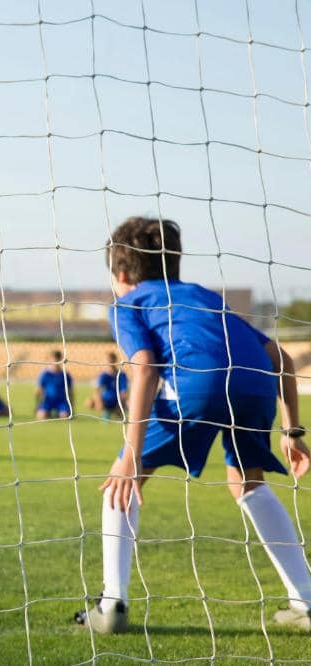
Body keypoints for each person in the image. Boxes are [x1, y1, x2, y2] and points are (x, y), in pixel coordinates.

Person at [75, 216, 311, 634]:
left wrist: (130, 454)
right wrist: (292, 432)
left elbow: (145, 366)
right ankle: (306, 601)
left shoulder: (128, 304)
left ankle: (112, 604)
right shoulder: (203, 297)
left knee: (125, 479)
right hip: (254, 384)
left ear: (121, 274)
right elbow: (283, 359)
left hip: (198, 384)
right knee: (248, 482)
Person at [86, 352, 128, 420]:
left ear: (115, 360)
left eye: (111, 360)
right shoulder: (103, 375)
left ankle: (120, 412)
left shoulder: (121, 375)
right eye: (108, 360)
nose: (110, 363)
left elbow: (124, 393)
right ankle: (105, 412)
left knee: (130, 403)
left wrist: (119, 404)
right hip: (106, 401)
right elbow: (97, 391)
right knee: (89, 402)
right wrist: (99, 401)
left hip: (118, 401)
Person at [35, 350, 74, 419]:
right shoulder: (45, 374)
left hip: (61, 401)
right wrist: (38, 405)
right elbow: (39, 390)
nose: (55, 363)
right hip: (48, 401)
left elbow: (70, 391)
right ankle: (48, 412)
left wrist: (72, 406)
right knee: (41, 416)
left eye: (57, 360)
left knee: (64, 416)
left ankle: (59, 413)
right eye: (53, 360)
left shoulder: (65, 375)